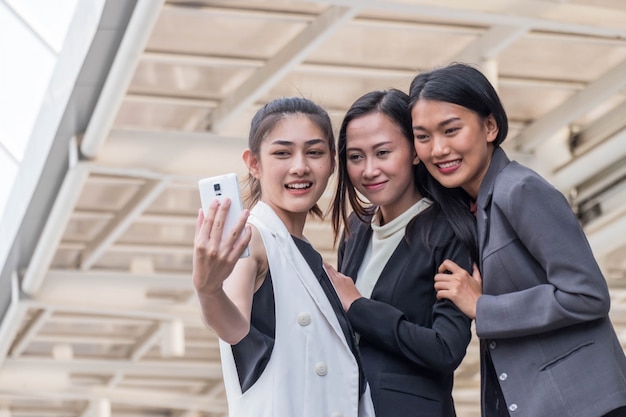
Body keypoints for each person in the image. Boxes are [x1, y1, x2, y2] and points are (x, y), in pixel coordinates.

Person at [409, 62, 626, 417]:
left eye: (451, 130)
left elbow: (586, 293)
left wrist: (483, 306)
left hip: (584, 404)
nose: (438, 149)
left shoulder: (520, 189)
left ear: (490, 126)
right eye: (423, 136)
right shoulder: (472, 209)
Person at [192, 96, 375, 417]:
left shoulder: (303, 253)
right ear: (253, 163)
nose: (300, 166)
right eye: (282, 153)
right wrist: (208, 289)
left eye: (315, 152)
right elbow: (234, 327)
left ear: (333, 161)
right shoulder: (254, 238)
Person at [325, 88, 476, 417]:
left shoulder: (447, 230)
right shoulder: (357, 229)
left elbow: (446, 347)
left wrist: (358, 307)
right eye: (355, 157)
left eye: (382, 152)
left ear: (414, 151)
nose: (368, 170)